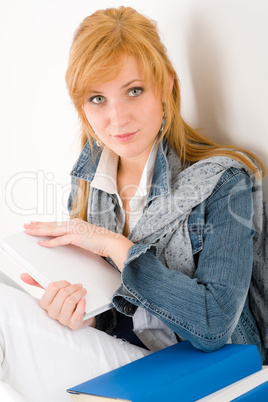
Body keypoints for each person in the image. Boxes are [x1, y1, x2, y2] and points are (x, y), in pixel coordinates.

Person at [1, 6, 267, 402]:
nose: (117, 118)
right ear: (82, 107)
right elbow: (118, 318)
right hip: (134, 366)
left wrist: (116, 247)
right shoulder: (88, 187)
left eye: (134, 91)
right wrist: (84, 314)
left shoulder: (224, 181)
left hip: (209, 375)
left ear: (167, 87)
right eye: (97, 99)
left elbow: (214, 326)